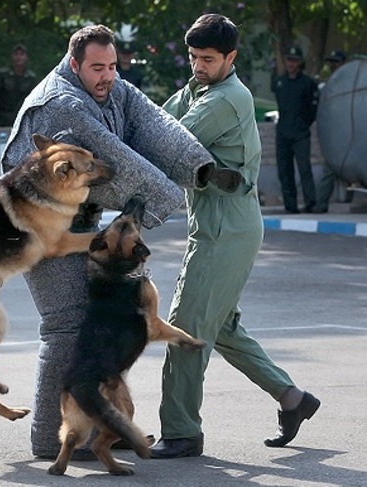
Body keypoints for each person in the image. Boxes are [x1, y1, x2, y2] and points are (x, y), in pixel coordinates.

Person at [0, 24, 243, 460]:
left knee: (85, 327)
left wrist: (198, 168)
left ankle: (93, 434)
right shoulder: (62, 105)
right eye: (97, 67)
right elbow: (112, 158)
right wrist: (165, 194)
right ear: (74, 65)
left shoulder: (113, 89)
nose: (107, 75)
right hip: (34, 224)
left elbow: (153, 125)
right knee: (64, 324)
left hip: (75, 220)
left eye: (112, 65)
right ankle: (46, 440)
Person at [149, 14, 320, 459]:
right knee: (219, 325)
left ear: (231, 58)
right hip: (218, 224)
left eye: (207, 59)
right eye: (193, 57)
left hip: (227, 229)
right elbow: (154, 122)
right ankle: (293, 399)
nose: (198, 66)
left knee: (187, 328)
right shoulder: (199, 88)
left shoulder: (227, 98)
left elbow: (169, 142)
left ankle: (182, 432)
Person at [272, 46, 319, 213]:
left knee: (304, 169)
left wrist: (303, 124)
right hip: (283, 132)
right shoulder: (280, 82)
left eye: (294, 60)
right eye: (288, 60)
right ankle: (290, 205)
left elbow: (313, 110)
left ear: (300, 62)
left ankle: (310, 203)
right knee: (284, 170)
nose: (291, 63)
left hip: (300, 133)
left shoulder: (308, 83)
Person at [314, 49, 352, 213]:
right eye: (331, 62)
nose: (332, 66)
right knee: (330, 168)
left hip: (352, 133)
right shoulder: (327, 86)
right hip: (335, 135)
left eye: (336, 62)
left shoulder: (353, 83)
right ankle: (320, 204)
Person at [0, 43, 38, 127]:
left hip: (21, 116)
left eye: (22, 54)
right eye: (16, 54)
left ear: (27, 57)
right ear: (12, 57)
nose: (19, 57)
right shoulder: (2, 75)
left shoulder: (31, 78)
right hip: (2, 115)